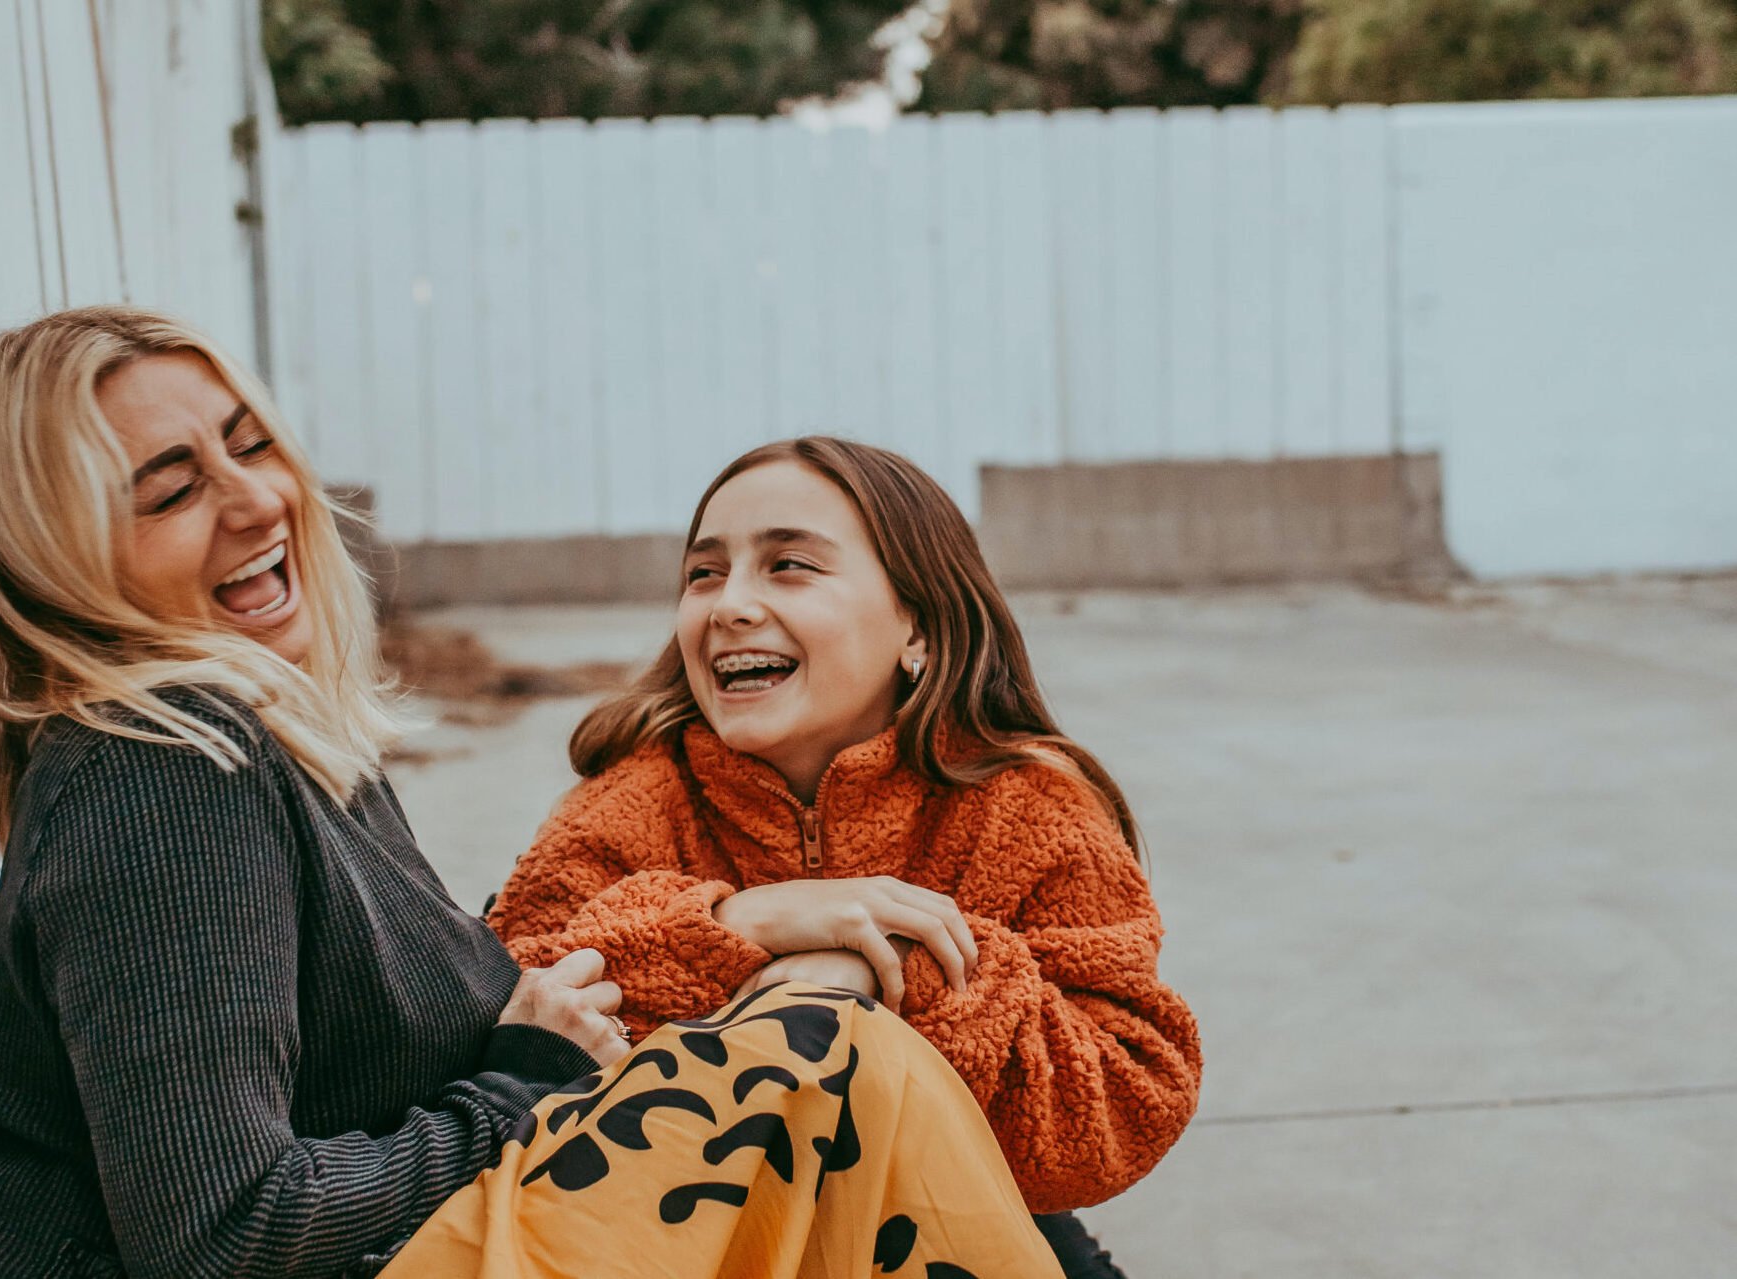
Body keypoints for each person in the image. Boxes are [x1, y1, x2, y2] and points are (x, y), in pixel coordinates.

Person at [0, 307, 1067, 1279]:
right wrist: (524, 1081)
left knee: (840, 1084)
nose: (257, 502)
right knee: (826, 1054)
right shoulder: (165, 769)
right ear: (57, 560)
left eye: (250, 447)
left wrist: (723, 951)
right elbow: (224, 1235)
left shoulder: (282, 745)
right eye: (169, 493)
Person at [489, 438, 1205, 1272]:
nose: (729, 605)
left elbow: (1121, 1099)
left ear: (919, 626)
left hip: (958, 1220)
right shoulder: (626, 802)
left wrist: (880, 970)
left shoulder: (1029, 807)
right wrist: (732, 924)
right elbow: (514, 1011)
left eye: (788, 564)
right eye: (704, 573)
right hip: (696, 1236)